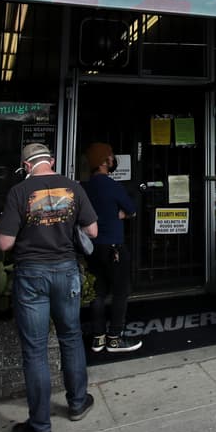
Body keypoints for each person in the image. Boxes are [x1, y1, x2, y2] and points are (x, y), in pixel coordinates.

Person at [0, 143, 99, 432]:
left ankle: (40, 426)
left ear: (26, 166)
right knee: (71, 337)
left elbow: (4, 243)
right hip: (66, 271)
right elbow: (92, 231)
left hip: (31, 274)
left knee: (35, 349)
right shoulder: (73, 187)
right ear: (51, 161)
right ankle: (78, 403)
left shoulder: (19, 192)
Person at [82, 142, 140, 354]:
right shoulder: (113, 186)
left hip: (91, 248)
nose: (113, 159)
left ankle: (98, 338)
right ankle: (114, 338)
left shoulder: (84, 187)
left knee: (97, 292)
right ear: (104, 161)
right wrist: (122, 214)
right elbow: (132, 209)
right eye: (111, 156)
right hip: (114, 247)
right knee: (120, 292)